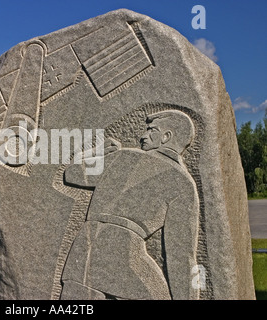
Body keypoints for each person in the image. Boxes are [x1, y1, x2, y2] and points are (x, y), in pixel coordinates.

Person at [61, 110, 200, 300]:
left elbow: (73, 173)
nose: (143, 136)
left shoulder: (121, 157)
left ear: (166, 137)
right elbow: (181, 255)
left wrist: (96, 153)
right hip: (123, 255)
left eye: (151, 130)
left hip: (83, 250)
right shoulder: (184, 184)